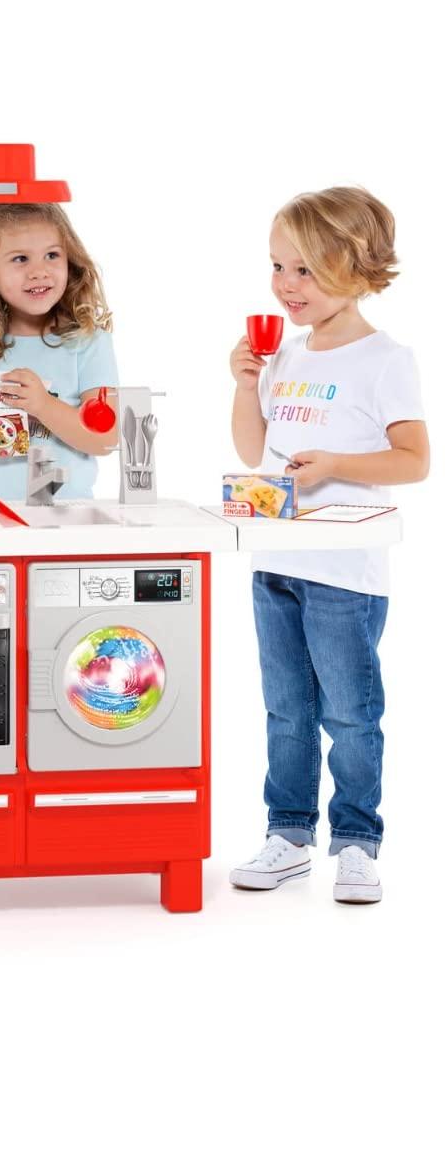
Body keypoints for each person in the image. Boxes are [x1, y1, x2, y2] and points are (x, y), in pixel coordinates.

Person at [227, 186, 429, 903]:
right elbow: (254, 452)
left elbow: (414, 461)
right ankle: (287, 834)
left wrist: (337, 465)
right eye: (278, 266)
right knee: (287, 712)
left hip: (346, 573)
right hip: (276, 564)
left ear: (356, 265)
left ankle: (357, 842)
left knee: (349, 714)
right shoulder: (285, 356)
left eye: (305, 269)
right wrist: (245, 385)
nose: (286, 284)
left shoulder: (384, 359)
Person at [0, 203, 119, 501]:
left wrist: (42, 405)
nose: (39, 272)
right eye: (20, 258)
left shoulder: (88, 342)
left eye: (52, 255)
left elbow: (105, 439)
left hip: (64, 511)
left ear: (70, 259)